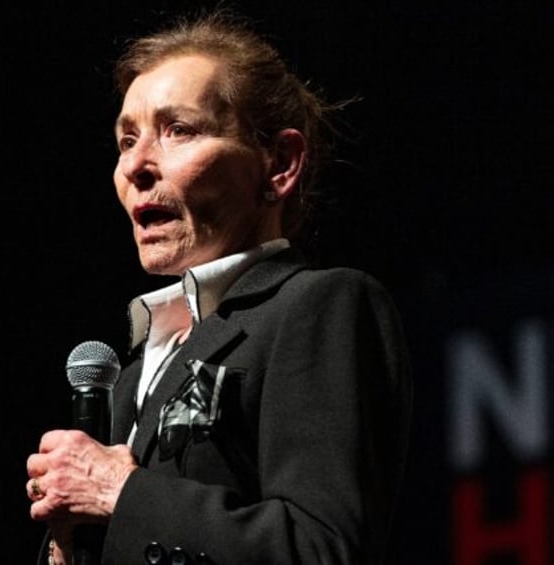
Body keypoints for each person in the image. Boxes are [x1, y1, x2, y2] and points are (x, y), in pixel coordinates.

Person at [26, 9, 412, 565]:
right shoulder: (133, 371)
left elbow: (322, 549)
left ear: (279, 163)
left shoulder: (317, 308)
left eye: (177, 130)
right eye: (126, 139)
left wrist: (120, 492)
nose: (137, 165)